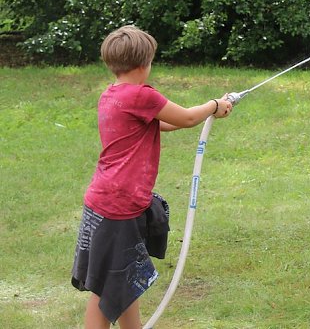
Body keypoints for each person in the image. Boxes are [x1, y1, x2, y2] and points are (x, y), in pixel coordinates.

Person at [71, 25, 233, 329]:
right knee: (106, 287)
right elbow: (184, 117)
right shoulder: (141, 95)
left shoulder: (112, 95)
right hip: (117, 206)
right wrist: (214, 105)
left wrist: (209, 112)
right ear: (145, 64)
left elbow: (161, 124)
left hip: (104, 200)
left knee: (123, 279)